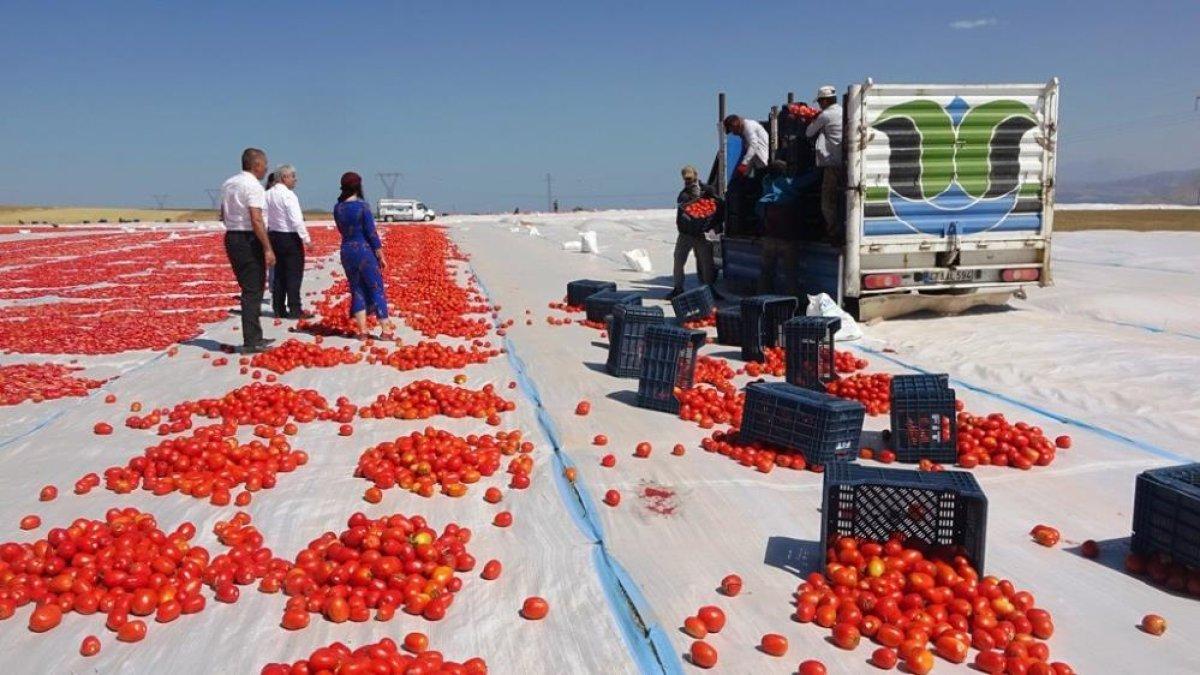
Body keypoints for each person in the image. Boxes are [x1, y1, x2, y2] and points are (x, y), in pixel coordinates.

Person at [220, 148, 275, 353]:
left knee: (249, 288)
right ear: (256, 164)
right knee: (253, 290)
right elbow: (256, 219)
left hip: (232, 237)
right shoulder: (253, 186)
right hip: (247, 238)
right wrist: (267, 248)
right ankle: (251, 341)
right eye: (264, 163)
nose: (266, 167)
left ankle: (255, 336)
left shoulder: (229, 183)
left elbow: (223, 214)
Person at [334, 172, 396, 338]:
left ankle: (362, 332)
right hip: (364, 251)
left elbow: (342, 230)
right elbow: (371, 233)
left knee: (357, 289)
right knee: (376, 288)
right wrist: (380, 254)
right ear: (358, 186)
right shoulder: (362, 206)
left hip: (347, 251)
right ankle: (386, 330)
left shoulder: (338, 208)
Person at [670, 165, 722, 300]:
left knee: (706, 262)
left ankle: (709, 288)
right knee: (678, 260)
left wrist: (714, 225)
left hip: (701, 234)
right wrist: (697, 200)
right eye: (686, 179)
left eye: (690, 178)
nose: (688, 181)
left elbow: (718, 204)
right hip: (685, 234)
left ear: (696, 175)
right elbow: (684, 206)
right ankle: (678, 288)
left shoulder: (707, 189)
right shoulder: (683, 194)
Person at [266, 164, 311, 318]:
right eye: (293, 176)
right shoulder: (289, 195)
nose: (295, 180)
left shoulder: (267, 194)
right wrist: (306, 239)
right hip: (289, 237)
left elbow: (263, 218)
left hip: (273, 236)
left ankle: (278, 308)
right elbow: (296, 220)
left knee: (278, 274)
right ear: (284, 177)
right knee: (293, 274)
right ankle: (295, 308)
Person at [722, 115, 770, 236]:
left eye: (733, 131)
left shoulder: (749, 127)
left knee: (759, 192)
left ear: (736, 125)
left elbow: (753, 145)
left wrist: (744, 164)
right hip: (755, 163)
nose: (735, 134)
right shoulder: (744, 131)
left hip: (761, 163)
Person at [806, 85, 844, 240]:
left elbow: (808, 132)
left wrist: (813, 118)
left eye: (820, 102)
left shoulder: (825, 115)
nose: (819, 105)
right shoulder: (844, 111)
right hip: (847, 163)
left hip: (832, 164)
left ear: (826, 100)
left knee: (828, 201)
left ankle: (833, 233)